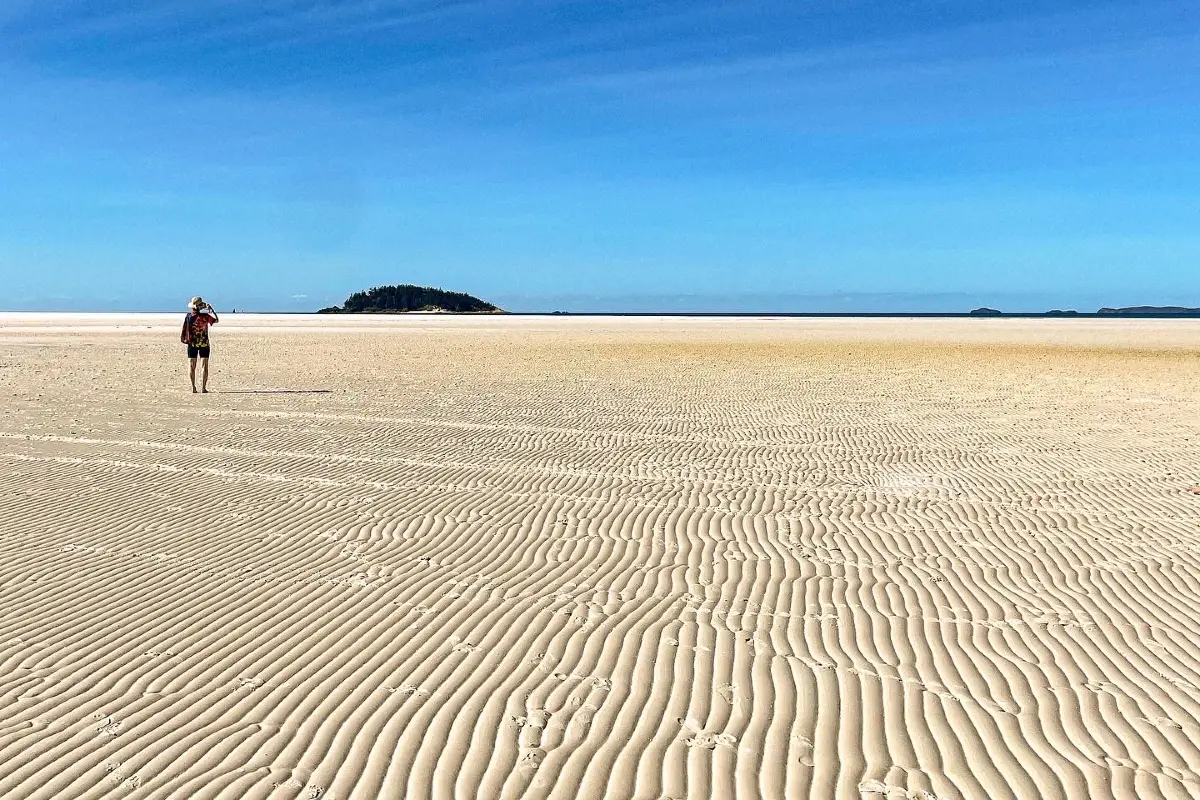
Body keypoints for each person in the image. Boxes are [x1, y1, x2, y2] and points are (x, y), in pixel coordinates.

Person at [181, 296, 219, 393]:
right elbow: (216, 320)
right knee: (204, 366)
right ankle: (203, 388)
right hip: (204, 343)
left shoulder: (189, 316)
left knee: (191, 365)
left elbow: (185, 329)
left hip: (192, 343)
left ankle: (193, 387)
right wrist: (212, 310)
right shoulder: (205, 316)